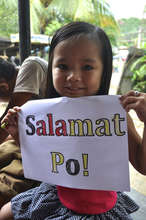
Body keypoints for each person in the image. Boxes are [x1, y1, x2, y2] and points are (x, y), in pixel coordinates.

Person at [0, 21, 146, 220]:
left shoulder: (115, 116)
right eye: (62, 66)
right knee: (5, 213)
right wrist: (20, 136)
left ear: (104, 70)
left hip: (100, 209)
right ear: (51, 67)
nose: (73, 76)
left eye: (87, 67)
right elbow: (44, 161)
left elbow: (142, 165)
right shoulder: (46, 114)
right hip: (54, 194)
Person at [0, 56, 48, 208]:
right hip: (34, 141)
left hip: (48, 148)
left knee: (5, 189)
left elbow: (5, 124)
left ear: (3, 87)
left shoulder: (31, 65)